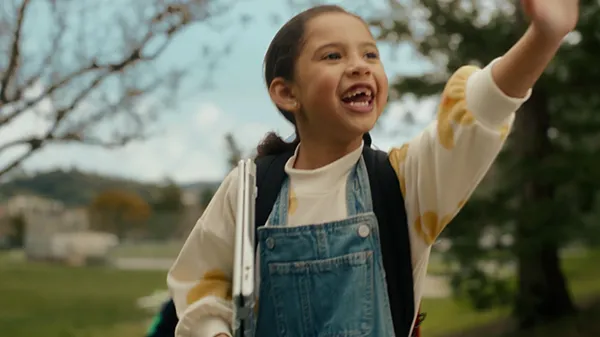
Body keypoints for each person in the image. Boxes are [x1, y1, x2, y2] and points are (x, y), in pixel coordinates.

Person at [167, 1, 579, 336]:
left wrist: (544, 36)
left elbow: (478, 112)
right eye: (332, 55)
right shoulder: (251, 187)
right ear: (286, 92)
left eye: (370, 54)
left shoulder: (402, 183)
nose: (360, 65)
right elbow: (200, 285)